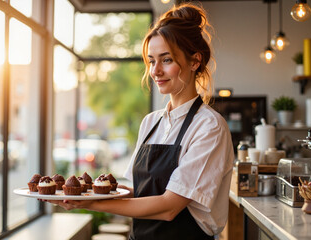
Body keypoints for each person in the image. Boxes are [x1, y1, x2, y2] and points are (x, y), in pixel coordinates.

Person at [45, 3, 234, 239]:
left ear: (195, 61)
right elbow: (141, 192)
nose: (155, 71)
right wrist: (87, 193)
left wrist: (90, 205)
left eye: (166, 60)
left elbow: (168, 207)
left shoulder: (209, 126)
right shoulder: (151, 122)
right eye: (152, 61)